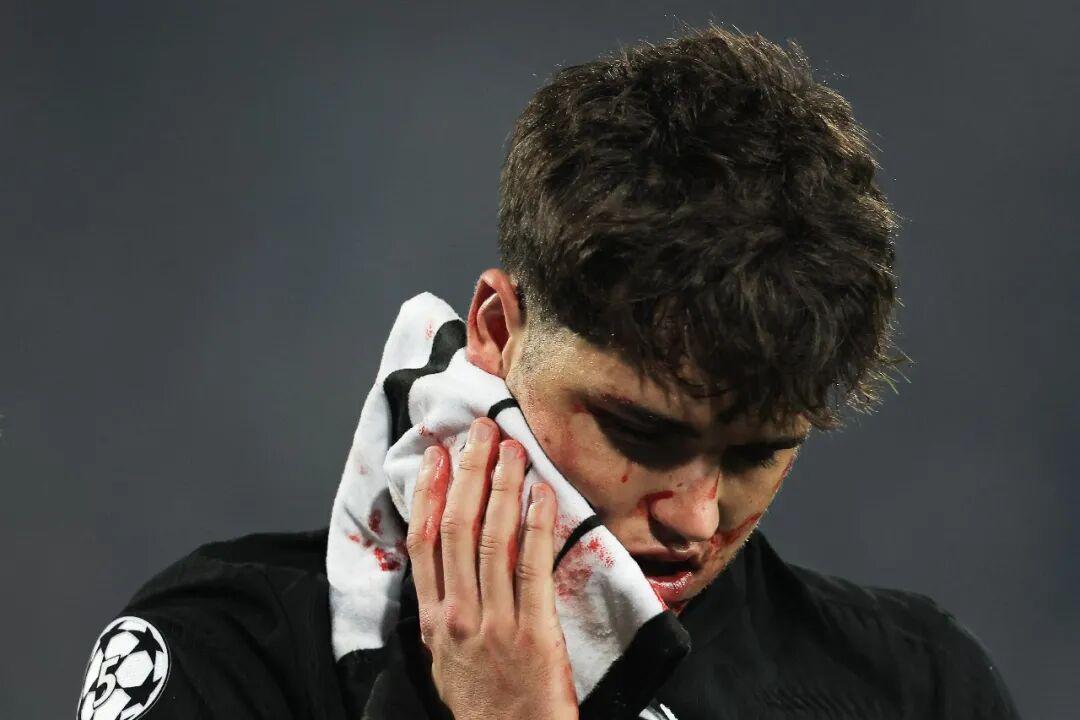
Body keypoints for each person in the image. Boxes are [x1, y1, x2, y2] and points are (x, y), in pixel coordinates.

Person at [74, 21, 1020, 720]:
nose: (696, 520)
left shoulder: (918, 686)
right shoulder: (222, 652)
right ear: (497, 331)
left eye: (757, 453)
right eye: (641, 432)